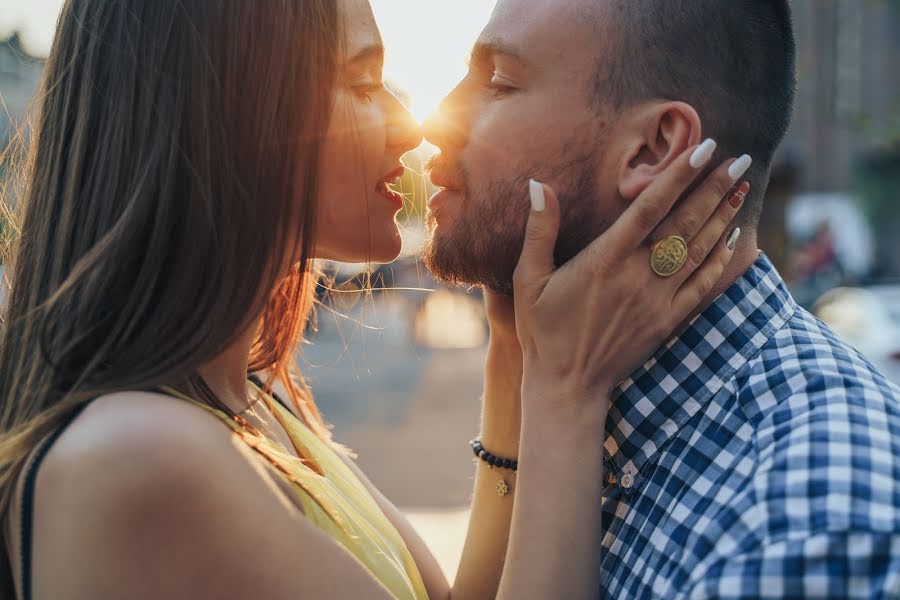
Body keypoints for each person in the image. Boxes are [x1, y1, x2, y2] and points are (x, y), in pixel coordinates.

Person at [0, 0, 746, 598]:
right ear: (234, 115)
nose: (410, 124)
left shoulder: (251, 398)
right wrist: (570, 391)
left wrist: (514, 355)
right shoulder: (142, 457)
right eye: (364, 83)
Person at [422, 0, 900, 597]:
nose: (435, 121)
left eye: (498, 84)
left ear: (653, 149)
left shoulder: (807, 522)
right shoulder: (600, 403)